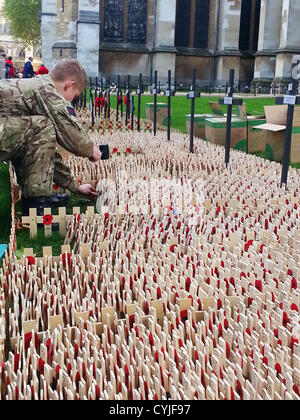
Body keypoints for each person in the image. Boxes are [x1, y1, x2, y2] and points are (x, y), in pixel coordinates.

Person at [0, 59, 101, 216]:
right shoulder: (48, 91)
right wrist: (91, 150)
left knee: (39, 128)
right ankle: (35, 208)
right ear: (69, 85)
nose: (71, 101)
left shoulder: (38, 85)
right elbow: (74, 138)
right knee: (42, 126)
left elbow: (42, 149)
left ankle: (37, 198)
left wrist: (74, 186)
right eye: (74, 96)